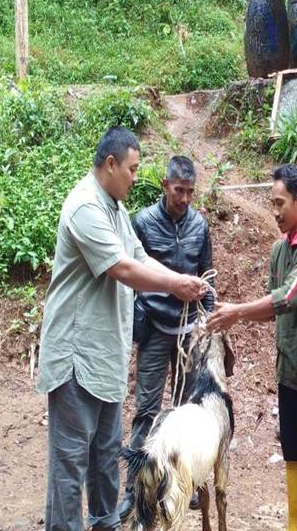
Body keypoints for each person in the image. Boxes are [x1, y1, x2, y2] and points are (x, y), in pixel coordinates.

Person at [35, 127, 210, 531]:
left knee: (105, 453)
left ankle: (104, 522)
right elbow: (123, 268)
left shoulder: (113, 208)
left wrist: (183, 280)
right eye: (132, 169)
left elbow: (140, 256)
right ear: (111, 164)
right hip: (77, 357)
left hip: (106, 356)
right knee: (71, 461)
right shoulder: (85, 207)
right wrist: (175, 284)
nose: (135, 177)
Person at [207, 163, 297, 531]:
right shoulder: (279, 250)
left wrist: (237, 312)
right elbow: (274, 309)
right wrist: (242, 314)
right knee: (294, 452)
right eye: (272, 203)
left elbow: (290, 297)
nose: (275, 211)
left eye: (280, 203)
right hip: (288, 367)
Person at [118, 155, 215, 522]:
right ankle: (134, 488)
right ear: (164, 185)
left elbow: (207, 276)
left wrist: (208, 320)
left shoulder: (199, 226)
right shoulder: (142, 222)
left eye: (191, 192)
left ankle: (184, 483)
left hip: (189, 330)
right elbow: (127, 276)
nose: (186, 199)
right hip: (156, 329)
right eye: (179, 191)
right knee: (146, 410)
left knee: (185, 412)